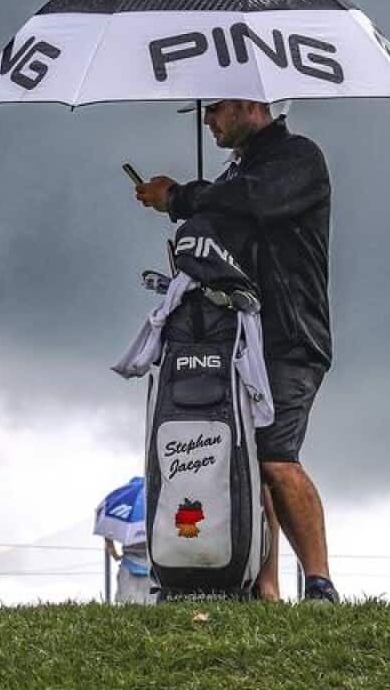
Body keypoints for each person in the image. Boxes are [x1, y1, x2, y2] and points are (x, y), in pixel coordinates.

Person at [135, 99, 339, 603]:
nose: (207, 120)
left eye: (215, 109)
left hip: (292, 337)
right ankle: (262, 587)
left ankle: (319, 582)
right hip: (238, 339)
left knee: (273, 455)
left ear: (254, 105)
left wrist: (180, 197)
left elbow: (255, 203)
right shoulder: (233, 175)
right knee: (246, 458)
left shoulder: (298, 158)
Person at [105, 538, 152, 605]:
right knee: (151, 604)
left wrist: (115, 555)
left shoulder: (127, 528)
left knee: (127, 603)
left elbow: (108, 536)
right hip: (150, 566)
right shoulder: (155, 528)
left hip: (128, 566)